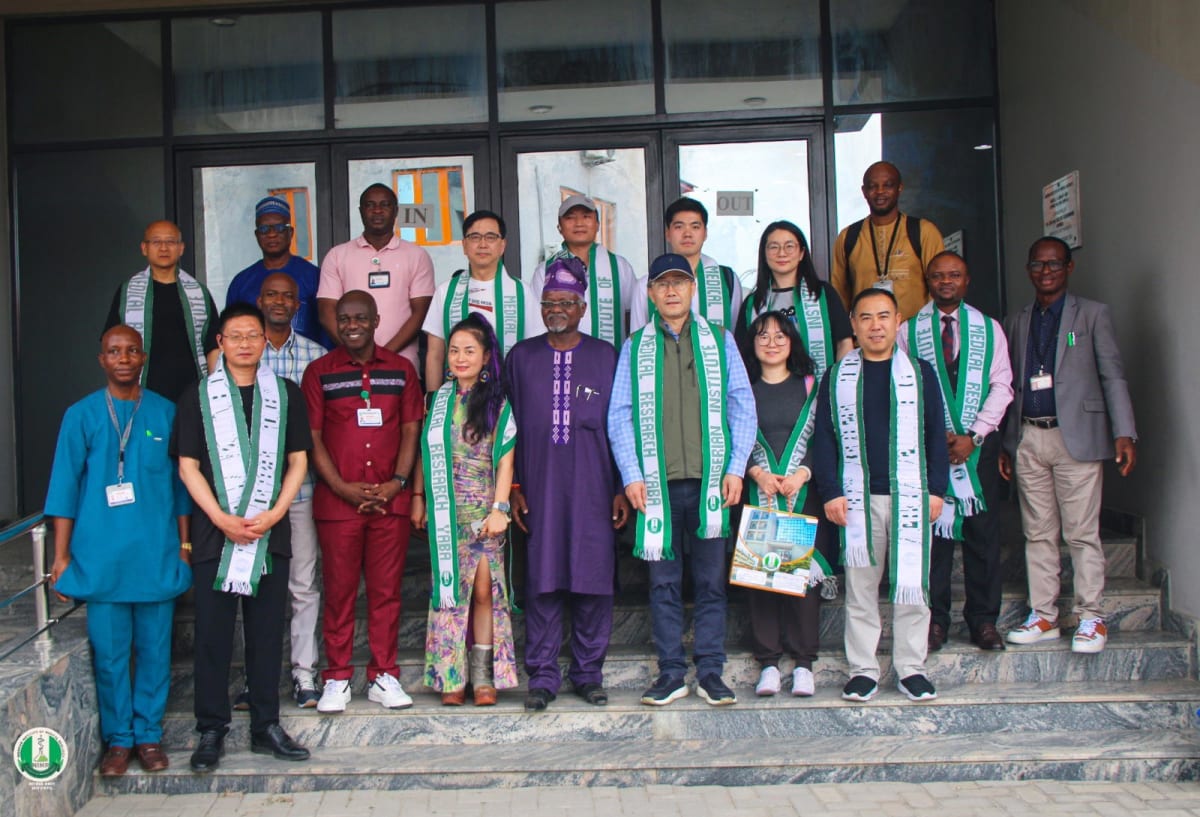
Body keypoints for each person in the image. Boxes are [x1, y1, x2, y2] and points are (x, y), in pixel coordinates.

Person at [608, 253, 756, 707]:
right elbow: (620, 415)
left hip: (712, 484)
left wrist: (734, 468)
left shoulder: (720, 340)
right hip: (658, 486)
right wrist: (631, 475)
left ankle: (711, 671)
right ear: (650, 294)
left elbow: (741, 405)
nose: (671, 291)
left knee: (712, 583)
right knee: (663, 584)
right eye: (662, 284)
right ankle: (671, 672)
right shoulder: (635, 346)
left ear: (693, 290)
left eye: (679, 283)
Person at [45, 325, 192, 777]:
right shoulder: (81, 415)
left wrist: (185, 547)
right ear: (101, 359)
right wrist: (60, 556)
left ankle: (148, 737)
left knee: (153, 652)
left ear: (143, 357)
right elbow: (64, 489)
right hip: (101, 558)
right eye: (114, 351)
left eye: (131, 350)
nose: (123, 357)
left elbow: (181, 487)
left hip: (155, 554)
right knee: (109, 656)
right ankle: (118, 741)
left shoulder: (167, 413)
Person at [172, 303, 311, 772]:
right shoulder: (198, 396)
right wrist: (220, 517)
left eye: (252, 335)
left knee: (267, 634)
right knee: (212, 635)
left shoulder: (285, 393)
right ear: (220, 343)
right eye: (235, 336)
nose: (246, 343)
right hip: (217, 536)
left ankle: (265, 725)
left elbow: (297, 461)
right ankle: (211, 729)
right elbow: (187, 466)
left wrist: (273, 513)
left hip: (270, 534)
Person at [504, 256, 630, 712]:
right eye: (549, 302)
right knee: (542, 579)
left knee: (593, 578)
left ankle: (588, 674)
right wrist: (513, 487)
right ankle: (541, 676)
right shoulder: (520, 357)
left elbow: (622, 425)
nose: (556, 308)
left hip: (594, 486)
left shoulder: (604, 356)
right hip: (537, 485)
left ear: (582, 308)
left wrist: (621, 486)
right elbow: (507, 426)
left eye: (566, 302)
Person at [1001, 236, 1137, 654]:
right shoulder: (1018, 320)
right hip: (1029, 436)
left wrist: (1124, 431)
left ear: (1068, 268)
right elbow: (1010, 384)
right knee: (1037, 532)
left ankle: (1091, 616)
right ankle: (1044, 615)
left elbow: (1112, 375)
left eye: (1054, 264)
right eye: (1038, 265)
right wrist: (1009, 442)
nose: (1046, 272)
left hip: (1076, 435)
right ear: (1028, 269)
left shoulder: (1093, 314)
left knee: (1081, 533)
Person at [811, 287, 949, 703]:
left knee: (912, 585)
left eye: (884, 316)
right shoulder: (836, 376)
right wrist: (831, 491)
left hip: (911, 494)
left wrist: (938, 489)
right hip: (856, 498)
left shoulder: (920, 373)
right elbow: (825, 439)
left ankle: (911, 668)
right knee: (861, 589)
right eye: (866, 317)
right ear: (852, 324)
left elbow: (935, 435)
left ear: (897, 322)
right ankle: (863, 670)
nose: (875, 325)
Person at [301, 290, 423, 712]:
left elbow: (411, 431)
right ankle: (336, 676)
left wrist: (398, 482)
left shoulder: (402, 370)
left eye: (360, 318)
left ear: (375, 321)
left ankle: (383, 675)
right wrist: (342, 487)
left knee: (387, 593)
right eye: (344, 319)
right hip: (339, 506)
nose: (351, 325)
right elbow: (312, 439)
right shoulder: (318, 372)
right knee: (339, 592)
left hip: (390, 502)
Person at [897, 252, 1014, 652]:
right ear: (927, 281)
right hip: (931, 451)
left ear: (966, 280)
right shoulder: (908, 331)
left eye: (955, 275)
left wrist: (974, 435)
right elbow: (902, 389)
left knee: (983, 536)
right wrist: (934, 436)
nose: (946, 282)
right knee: (934, 538)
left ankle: (983, 621)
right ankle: (935, 622)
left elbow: (1003, 386)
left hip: (977, 449)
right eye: (938, 276)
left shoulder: (989, 329)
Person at [413, 313, 519, 706]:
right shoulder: (438, 401)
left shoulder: (496, 402)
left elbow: (506, 458)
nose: (459, 358)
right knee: (447, 590)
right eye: (454, 350)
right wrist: (418, 498)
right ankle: (450, 676)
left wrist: (500, 508)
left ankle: (483, 676)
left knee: (484, 592)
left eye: (468, 351)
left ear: (486, 356)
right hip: (446, 510)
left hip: (484, 510)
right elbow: (425, 452)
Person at [739, 311, 837, 698]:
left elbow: (825, 438)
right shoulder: (742, 388)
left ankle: (803, 664)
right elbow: (731, 436)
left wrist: (803, 474)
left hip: (800, 491)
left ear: (793, 341)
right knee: (762, 578)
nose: (772, 342)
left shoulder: (811, 387)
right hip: (759, 490)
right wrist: (756, 473)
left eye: (781, 335)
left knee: (801, 583)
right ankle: (767, 663)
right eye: (763, 335)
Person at [257, 273, 328, 706]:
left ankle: (304, 674)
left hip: (302, 489)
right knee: (255, 585)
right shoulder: (238, 353)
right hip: (251, 494)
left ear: (298, 304)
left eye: (287, 295)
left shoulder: (316, 357)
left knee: (303, 584)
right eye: (272, 295)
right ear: (260, 300)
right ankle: (256, 678)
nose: (280, 301)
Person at [317, 183, 435, 369]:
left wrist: (382, 357)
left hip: (402, 366)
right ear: (361, 211)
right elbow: (326, 312)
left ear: (395, 211)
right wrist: (358, 355)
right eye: (370, 205)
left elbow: (421, 313)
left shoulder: (416, 255)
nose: (377, 210)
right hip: (349, 365)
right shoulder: (337, 256)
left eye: (385, 205)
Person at [422, 209, 543, 391]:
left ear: (502, 245)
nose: (483, 244)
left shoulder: (522, 292)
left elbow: (535, 354)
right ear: (464, 245)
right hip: (457, 400)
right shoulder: (446, 292)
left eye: (491, 237)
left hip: (508, 398)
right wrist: (432, 401)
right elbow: (435, 355)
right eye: (475, 237)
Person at [104, 220, 219, 402]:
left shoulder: (199, 292)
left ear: (181, 248)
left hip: (193, 392)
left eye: (171, 242)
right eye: (156, 242)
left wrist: (215, 388)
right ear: (144, 248)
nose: (164, 248)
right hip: (143, 391)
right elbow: (111, 342)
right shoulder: (128, 292)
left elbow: (213, 345)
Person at [830, 162, 945, 321]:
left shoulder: (924, 232)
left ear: (899, 188)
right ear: (864, 191)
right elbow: (839, 296)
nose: (880, 191)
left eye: (888, 185)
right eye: (873, 186)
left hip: (914, 339)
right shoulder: (848, 237)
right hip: (867, 339)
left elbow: (939, 287)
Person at [739, 220, 854, 377]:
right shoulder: (753, 304)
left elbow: (844, 343)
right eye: (774, 247)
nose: (781, 253)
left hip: (819, 390)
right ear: (764, 254)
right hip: (767, 394)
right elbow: (742, 354)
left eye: (789, 246)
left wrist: (840, 385)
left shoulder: (823, 294)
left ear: (801, 253)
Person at [528, 194, 637, 348]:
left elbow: (632, 317)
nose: (579, 223)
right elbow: (536, 321)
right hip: (560, 362)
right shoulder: (545, 270)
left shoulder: (619, 267)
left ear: (598, 224)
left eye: (586, 216)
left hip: (612, 365)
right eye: (570, 218)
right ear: (559, 227)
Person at [226, 195, 333, 349]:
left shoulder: (313, 276)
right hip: (254, 367)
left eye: (279, 228)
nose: (271, 234)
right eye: (264, 229)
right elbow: (232, 331)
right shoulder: (242, 282)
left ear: (290, 232)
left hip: (306, 364)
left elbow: (326, 329)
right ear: (256, 235)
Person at [629, 198, 744, 331]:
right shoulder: (645, 285)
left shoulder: (727, 280)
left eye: (695, 227)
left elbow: (733, 334)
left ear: (705, 233)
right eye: (679, 227)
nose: (687, 234)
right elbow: (636, 342)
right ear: (667, 233)